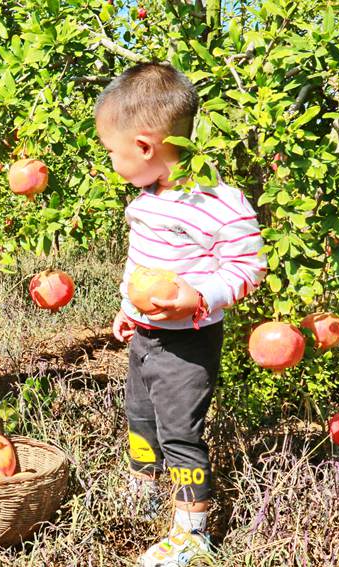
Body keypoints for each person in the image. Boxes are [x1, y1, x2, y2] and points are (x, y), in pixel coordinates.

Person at [94, 63, 266, 566]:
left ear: (145, 147)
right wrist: (128, 307)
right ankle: (144, 488)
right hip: (145, 336)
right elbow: (140, 264)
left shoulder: (220, 202)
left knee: (179, 432)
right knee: (139, 417)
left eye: (112, 152)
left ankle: (193, 529)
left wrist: (198, 297)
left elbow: (248, 268)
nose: (111, 162)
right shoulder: (146, 201)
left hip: (187, 345)